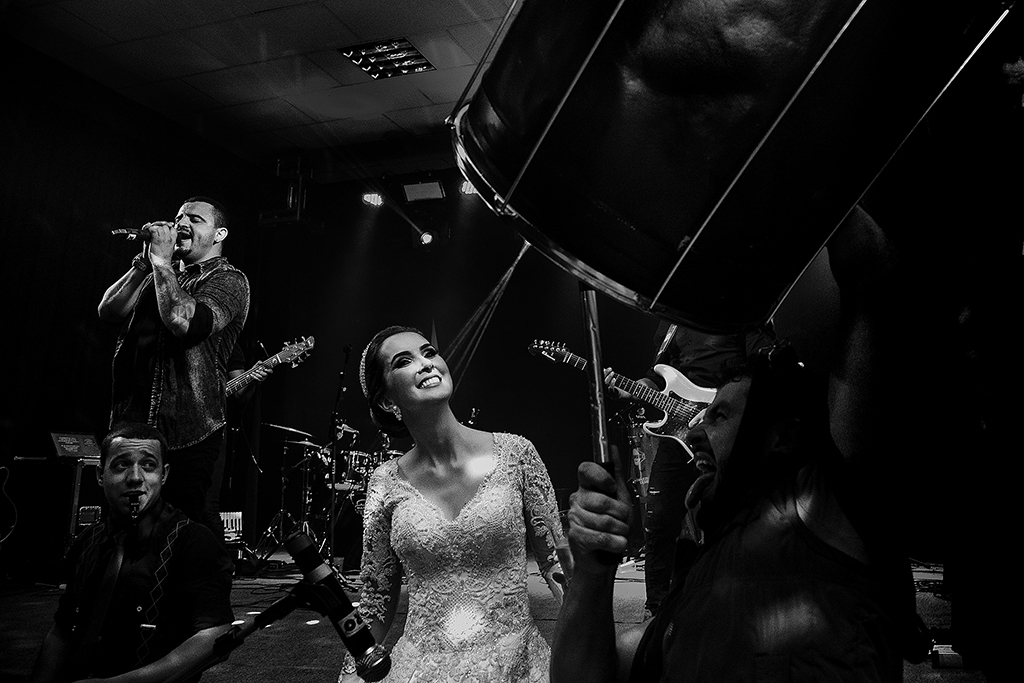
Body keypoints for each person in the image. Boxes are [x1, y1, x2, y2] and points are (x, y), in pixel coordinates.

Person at [551, 206, 928, 682]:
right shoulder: (695, 592)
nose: (697, 432)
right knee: (662, 524)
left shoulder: (824, 506)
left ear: (782, 437)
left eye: (721, 415)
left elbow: (871, 276)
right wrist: (591, 571)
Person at [342, 325, 572, 682]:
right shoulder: (384, 484)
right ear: (388, 401)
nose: (426, 364)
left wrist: (589, 647)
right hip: (419, 671)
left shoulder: (517, 454)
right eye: (405, 361)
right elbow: (374, 602)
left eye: (429, 353)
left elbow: (558, 565)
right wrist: (352, 669)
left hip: (516, 668)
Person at [30, 422, 234, 683]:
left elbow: (215, 635)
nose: (135, 477)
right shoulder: (88, 541)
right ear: (99, 474)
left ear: (164, 474)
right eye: (121, 465)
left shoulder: (193, 540)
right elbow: (63, 630)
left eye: (148, 465)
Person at [97, 197, 250, 541]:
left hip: (190, 429)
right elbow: (109, 311)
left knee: (189, 533)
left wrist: (162, 263)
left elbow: (186, 323)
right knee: (125, 532)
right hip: (132, 424)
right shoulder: (155, 273)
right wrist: (143, 264)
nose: (181, 223)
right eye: (179, 216)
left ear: (218, 233)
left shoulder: (230, 280)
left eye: (195, 219)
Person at [606, 321, 774, 616]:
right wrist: (630, 389)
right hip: (678, 434)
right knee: (658, 519)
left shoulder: (738, 309)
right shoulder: (670, 323)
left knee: (732, 514)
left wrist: (720, 407)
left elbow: (761, 364)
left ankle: (737, 601)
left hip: (723, 425)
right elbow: (656, 378)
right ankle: (656, 607)